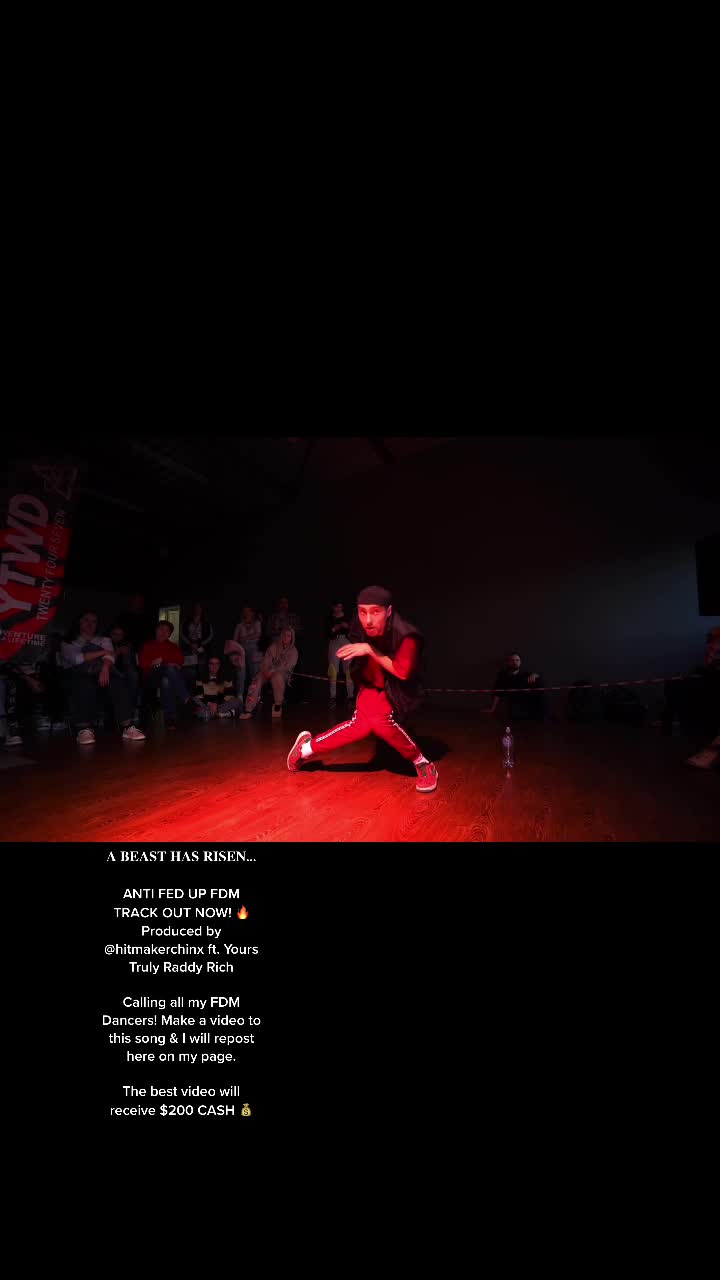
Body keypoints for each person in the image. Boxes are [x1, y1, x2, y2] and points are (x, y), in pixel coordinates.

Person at [286, 586, 438, 793]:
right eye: (362, 611)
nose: (368, 620)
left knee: (380, 722)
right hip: (371, 683)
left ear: (389, 611)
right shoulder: (360, 622)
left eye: (375, 612)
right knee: (361, 726)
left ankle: (423, 763)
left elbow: (401, 673)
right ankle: (305, 748)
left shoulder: (407, 636)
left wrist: (369, 649)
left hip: (397, 684)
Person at [59, 610, 146, 744]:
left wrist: (105, 668)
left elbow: (110, 657)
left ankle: (127, 726)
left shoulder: (104, 639)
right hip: (76, 674)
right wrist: (103, 652)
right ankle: (84, 729)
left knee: (117, 680)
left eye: (94, 621)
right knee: (83, 681)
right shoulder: (68, 642)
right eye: (86, 620)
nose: (90, 624)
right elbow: (76, 659)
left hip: (100, 672)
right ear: (79, 622)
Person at [138, 620, 190, 730]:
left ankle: (170, 718)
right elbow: (142, 664)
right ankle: (185, 697)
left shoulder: (173, 646)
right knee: (169, 668)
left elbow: (180, 660)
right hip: (151, 676)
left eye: (167, 631)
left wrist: (162, 660)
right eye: (161, 629)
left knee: (166, 680)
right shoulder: (148, 645)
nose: (163, 632)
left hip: (167, 675)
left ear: (169, 634)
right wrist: (160, 663)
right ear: (156, 630)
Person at [241, 626, 298, 719]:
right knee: (257, 679)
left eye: (288, 636)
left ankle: (278, 705)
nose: (286, 637)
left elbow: (288, 666)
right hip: (268, 671)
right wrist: (266, 670)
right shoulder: (273, 647)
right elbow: (266, 661)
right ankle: (248, 708)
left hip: (283, 674)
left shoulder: (293, 651)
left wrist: (274, 670)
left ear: (292, 638)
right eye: (284, 635)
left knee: (277, 677)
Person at [483, 652, 543, 720]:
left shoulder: (525, 674)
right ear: (508, 662)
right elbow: (497, 692)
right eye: (512, 660)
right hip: (511, 708)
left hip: (526, 707)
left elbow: (538, 675)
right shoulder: (502, 675)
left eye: (517, 660)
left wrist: (535, 675)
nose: (515, 662)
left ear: (520, 662)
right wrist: (492, 708)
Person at [181, 602, 215, 692]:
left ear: (202, 610)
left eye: (199, 608)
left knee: (201, 670)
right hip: (189, 648)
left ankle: (200, 691)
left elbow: (210, 636)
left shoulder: (206, 622)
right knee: (189, 670)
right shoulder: (187, 621)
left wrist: (201, 645)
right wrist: (190, 644)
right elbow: (183, 634)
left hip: (202, 648)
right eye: (196, 608)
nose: (197, 610)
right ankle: (189, 692)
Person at [327, 601, 355, 709]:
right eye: (337, 606)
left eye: (340, 606)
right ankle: (332, 697)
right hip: (334, 642)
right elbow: (327, 633)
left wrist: (347, 627)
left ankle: (350, 697)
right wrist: (335, 628)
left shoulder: (348, 617)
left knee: (348, 670)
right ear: (333, 607)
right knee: (333, 670)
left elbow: (354, 630)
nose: (338, 608)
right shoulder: (329, 618)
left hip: (346, 642)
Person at [192, 655, 237, 720]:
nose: (214, 666)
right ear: (208, 665)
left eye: (217, 664)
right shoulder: (200, 677)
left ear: (220, 665)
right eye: (211, 664)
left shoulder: (226, 677)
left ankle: (211, 713)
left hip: (219, 704)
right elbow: (199, 695)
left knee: (236, 701)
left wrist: (216, 704)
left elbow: (229, 695)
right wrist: (210, 704)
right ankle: (224, 713)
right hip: (206, 703)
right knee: (195, 699)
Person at [233, 606, 263, 699]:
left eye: (248, 611)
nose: (246, 613)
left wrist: (245, 638)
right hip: (241, 650)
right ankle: (240, 696)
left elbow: (258, 634)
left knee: (255, 674)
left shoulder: (257, 623)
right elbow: (235, 640)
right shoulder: (239, 625)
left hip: (254, 650)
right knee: (241, 673)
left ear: (252, 613)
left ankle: (256, 695)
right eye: (244, 611)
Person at [219, 641, 246, 716]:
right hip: (226, 700)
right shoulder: (228, 671)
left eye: (236, 659)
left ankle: (227, 713)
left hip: (236, 701)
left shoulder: (241, 671)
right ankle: (227, 712)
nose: (235, 662)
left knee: (238, 702)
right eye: (232, 661)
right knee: (236, 702)